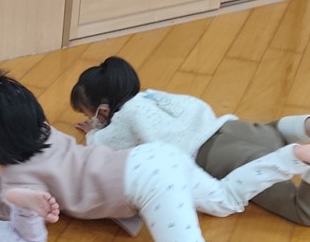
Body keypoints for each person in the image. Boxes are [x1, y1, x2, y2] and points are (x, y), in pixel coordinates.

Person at [0, 72, 310, 242]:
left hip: (147, 182)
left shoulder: (17, 175)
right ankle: (291, 156)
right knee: (224, 200)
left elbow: (27, 215)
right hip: (158, 156)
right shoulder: (47, 133)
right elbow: (39, 174)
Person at [70, 56, 310, 225]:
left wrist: (94, 130)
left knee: (301, 210)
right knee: (273, 133)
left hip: (217, 157)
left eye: (88, 113)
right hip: (229, 127)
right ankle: (304, 125)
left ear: (102, 111)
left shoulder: (124, 118)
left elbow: (98, 150)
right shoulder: (150, 96)